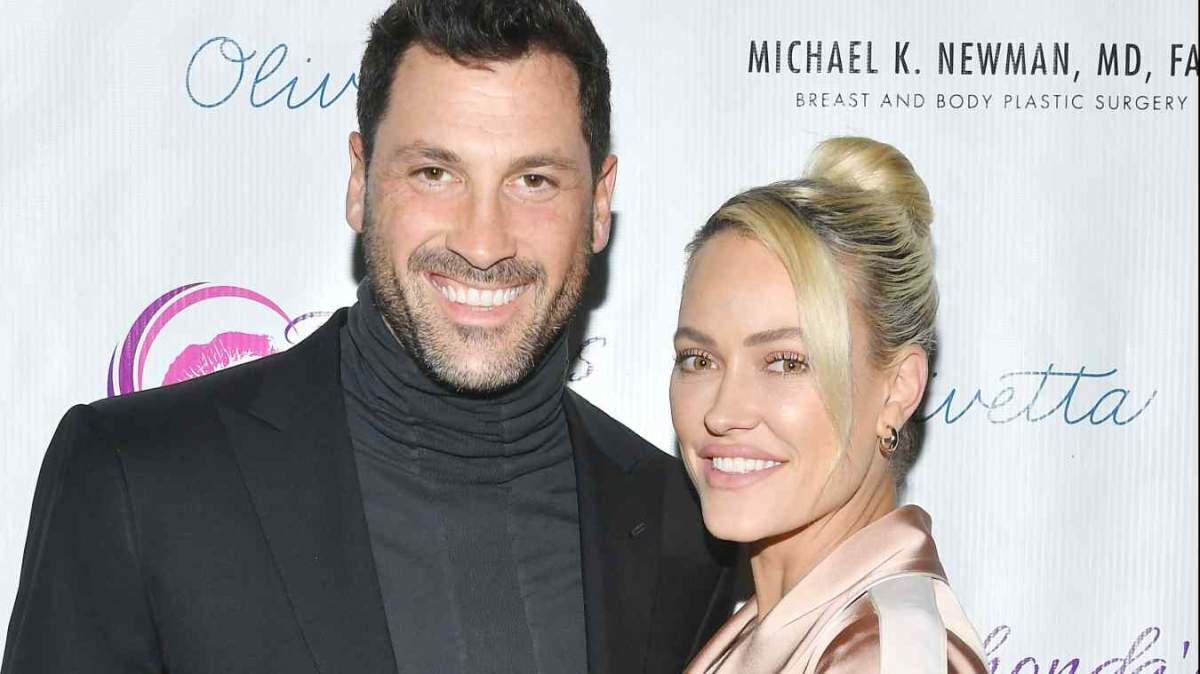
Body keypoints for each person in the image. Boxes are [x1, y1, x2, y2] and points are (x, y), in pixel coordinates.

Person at [0, 1, 736, 672]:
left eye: (533, 180)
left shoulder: (685, 528)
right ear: (359, 182)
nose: (483, 242)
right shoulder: (137, 477)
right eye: (435, 172)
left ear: (600, 203)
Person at [673, 137, 987, 673]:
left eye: (785, 363)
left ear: (898, 389)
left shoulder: (883, 655)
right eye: (699, 359)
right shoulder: (775, 629)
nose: (721, 414)